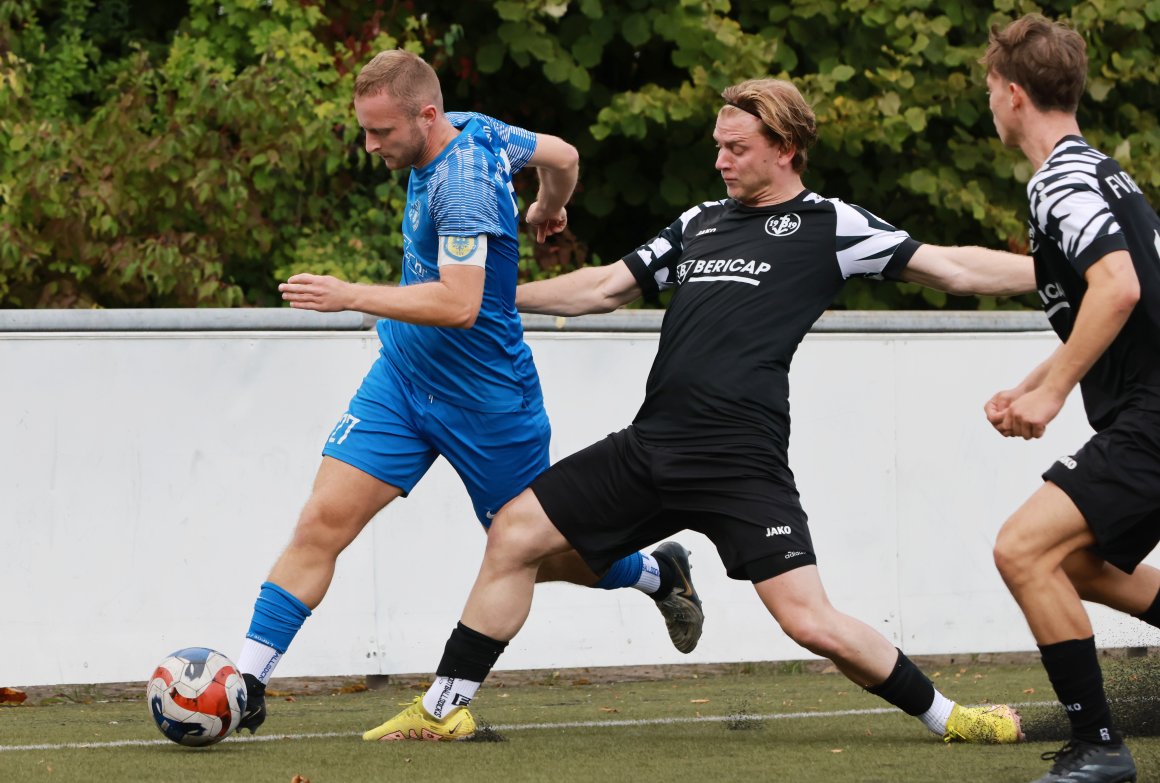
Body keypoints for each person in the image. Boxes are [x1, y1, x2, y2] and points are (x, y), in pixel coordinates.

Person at [363, 77, 1034, 744]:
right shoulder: (700, 223)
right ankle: (443, 709)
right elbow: (603, 288)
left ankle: (952, 717)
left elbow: (954, 269)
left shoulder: (832, 225)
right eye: (718, 146)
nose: (721, 161)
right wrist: (497, 297)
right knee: (513, 534)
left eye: (736, 148)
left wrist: (1061, 271)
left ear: (786, 148)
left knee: (809, 621)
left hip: (739, 461)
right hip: (650, 448)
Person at [233, 49, 705, 735]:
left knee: (535, 553)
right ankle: (247, 683)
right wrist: (549, 205)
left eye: (381, 132)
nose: (370, 146)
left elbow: (459, 305)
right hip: (402, 381)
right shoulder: (475, 126)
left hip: (489, 403)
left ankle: (658, 574)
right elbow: (565, 154)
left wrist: (349, 294)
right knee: (321, 522)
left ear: (426, 117)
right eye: (364, 129)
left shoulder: (463, 185)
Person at [984, 14, 1160, 783]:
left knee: (1022, 549)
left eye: (990, 90)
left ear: (1013, 95)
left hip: (1153, 415)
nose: (991, 104)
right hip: (1147, 411)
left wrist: (1052, 393)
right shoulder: (1104, 173)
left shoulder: (1058, 179)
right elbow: (1120, 306)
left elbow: (1118, 288)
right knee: (1076, 562)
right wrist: (1033, 382)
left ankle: (1099, 747)